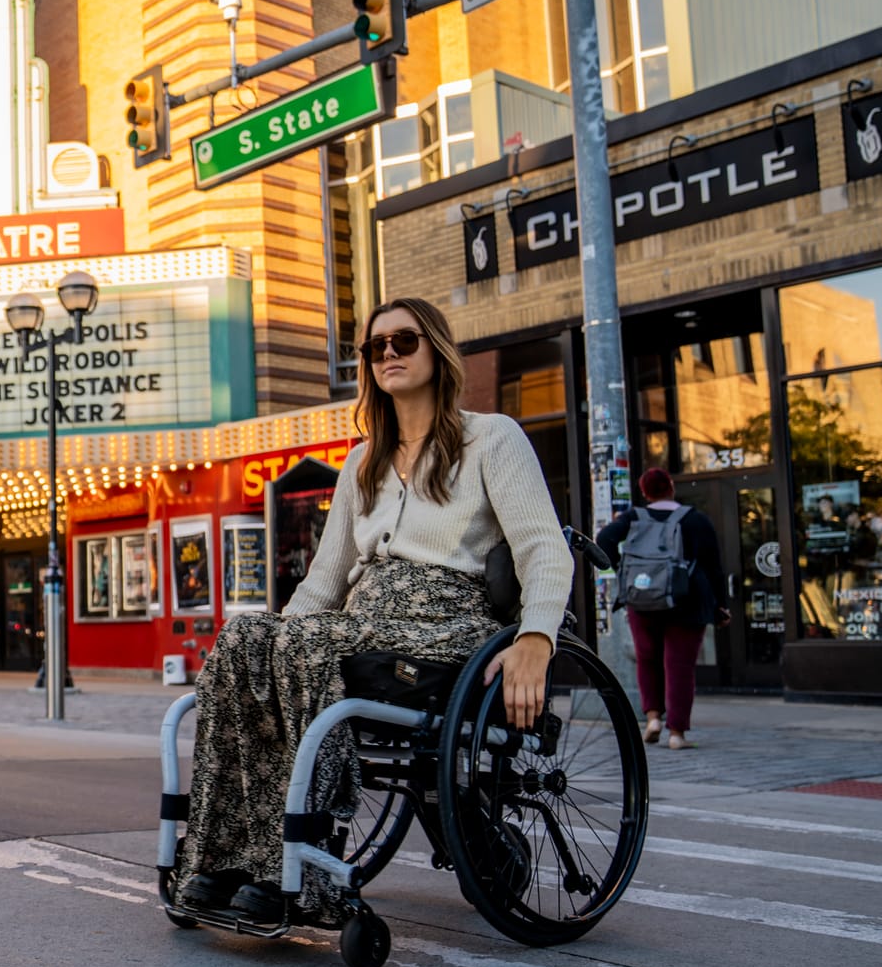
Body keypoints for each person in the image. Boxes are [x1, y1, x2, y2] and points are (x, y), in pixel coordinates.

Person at [174, 297, 572, 926]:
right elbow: (323, 584)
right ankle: (229, 856)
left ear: (436, 352)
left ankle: (298, 867)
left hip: (447, 621)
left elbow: (543, 548)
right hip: (365, 619)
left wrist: (535, 639)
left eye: (404, 341)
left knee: (304, 648)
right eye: (374, 347)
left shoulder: (492, 438)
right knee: (247, 639)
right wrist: (270, 640)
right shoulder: (361, 463)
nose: (388, 354)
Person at [597, 468, 727, 750]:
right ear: (671, 487)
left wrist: (623, 570)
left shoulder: (633, 518)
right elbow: (714, 566)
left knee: (647, 658)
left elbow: (603, 539)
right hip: (687, 601)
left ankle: (653, 718)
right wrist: (720, 605)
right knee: (679, 666)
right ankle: (677, 733)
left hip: (641, 599)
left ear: (644, 492)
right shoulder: (695, 520)